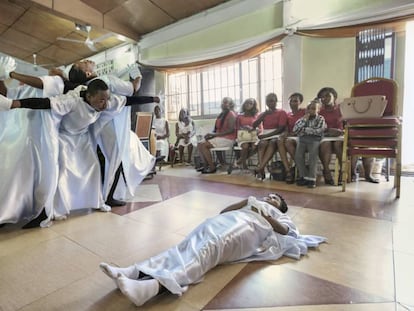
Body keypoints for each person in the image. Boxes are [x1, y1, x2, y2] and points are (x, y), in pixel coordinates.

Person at [99, 193, 326, 307]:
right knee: (185, 246)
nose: (270, 198)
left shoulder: (278, 214)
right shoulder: (252, 202)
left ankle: (155, 287)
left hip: (247, 229)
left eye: (275, 199)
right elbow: (222, 212)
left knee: (207, 250)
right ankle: (136, 271)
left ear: (279, 206)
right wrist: (244, 203)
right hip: (227, 220)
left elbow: (287, 232)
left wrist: (266, 215)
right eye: (270, 196)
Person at [0, 79, 155, 228]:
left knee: (92, 167)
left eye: (107, 99)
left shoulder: (105, 102)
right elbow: (45, 103)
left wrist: (153, 98)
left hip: (83, 139)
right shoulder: (72, 101)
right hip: (65, 139)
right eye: (101, 100)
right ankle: (55, 209)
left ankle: (97, 201)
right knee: (61, 172)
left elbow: (128, 101)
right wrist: (13, 104)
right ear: (89, 96)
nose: (105, 103)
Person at [252, 93, 287, 180]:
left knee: (272, 142)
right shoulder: (263, 113)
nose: (270, 103)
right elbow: (254, 125)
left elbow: (281, 128)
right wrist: (264, 115)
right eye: (267, 101)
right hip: (266, 134)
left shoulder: (281, 112)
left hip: (276, 134)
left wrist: (266, 135)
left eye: (272, 101)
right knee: (262, 144)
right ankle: (262, 169)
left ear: (276, 101)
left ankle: (260, 168)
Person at [197, 97, 237, 174]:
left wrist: (214, 134)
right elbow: (216, 129)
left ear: (231, 104)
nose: (223, 104)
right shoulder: (221, 114)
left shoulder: (231, 114)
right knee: (199, 144)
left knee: (204, 145)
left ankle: (212, 167)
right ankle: (206, 165)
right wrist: (211, 135)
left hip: (228, 138)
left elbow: (231, 130)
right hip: (219, 137)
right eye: (223, 102)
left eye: (226, 102)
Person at [293, 99, 326, 188]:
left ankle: (312, 179)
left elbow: (319, 131)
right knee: (298, 156)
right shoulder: (303, 119)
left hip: (314, 140)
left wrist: (305, 130)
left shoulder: (320, 119)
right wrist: (304, 121)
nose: (310, 110)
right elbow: (295, 129)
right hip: (302, 139)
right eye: (308, 108)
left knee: (313, 157)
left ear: (318, 110)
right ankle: (304, 176)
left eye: (313, 109)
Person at [317, 87, 343, 185]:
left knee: (338, 144)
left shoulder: (341, 109)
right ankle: (326, 171)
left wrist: (340, 131)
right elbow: (317, 127)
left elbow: (347, 123)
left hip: (339, 135)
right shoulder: (318, 111)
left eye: (327, 95)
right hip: (325, 136)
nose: (324, 98)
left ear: (334, 97)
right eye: (322, 97)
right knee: (325, 144)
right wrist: (327, 131)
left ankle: (342, 172)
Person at [278, 92, 306, 184]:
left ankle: (300, 168)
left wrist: (294, 133)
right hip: (292, 136)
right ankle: (288, 170)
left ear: (300, 102)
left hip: (302, 136)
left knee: (288, 142)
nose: (293, 103)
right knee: (280, 140)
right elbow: (286, 129)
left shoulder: (305, 112)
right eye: (291, 101)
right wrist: (285, 134)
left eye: (295, 101)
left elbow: (307, 125)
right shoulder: (288, 115)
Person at [235, 98, 262, 171]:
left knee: (255, 147)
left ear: (254, 105)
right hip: (243, 136)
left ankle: (240, 160)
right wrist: (243, 127)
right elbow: (236, 128)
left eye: (251, 103)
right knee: (245, 146)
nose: (248, 105)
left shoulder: (257, 116)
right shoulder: (239, 116)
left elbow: (260, 129)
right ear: (244, 104)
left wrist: (253, 129)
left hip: (253, 136)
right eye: (247, 103)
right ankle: (244, 163)